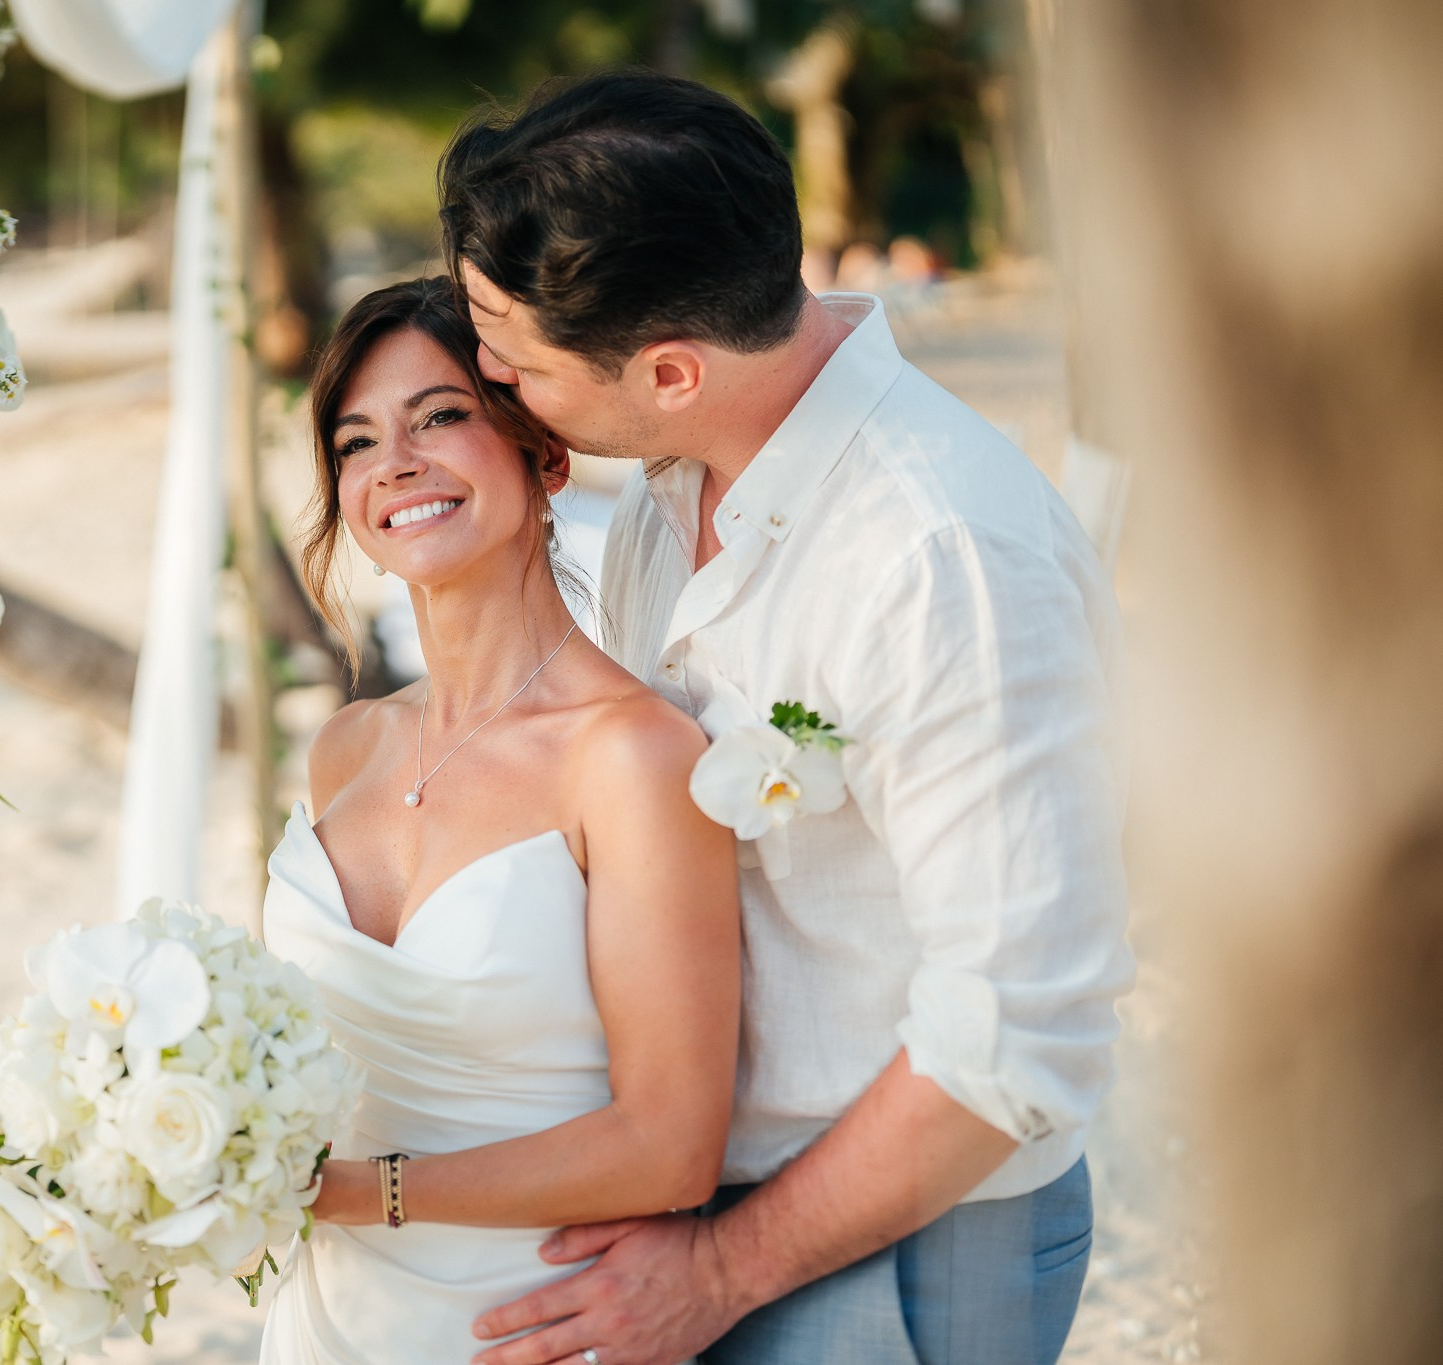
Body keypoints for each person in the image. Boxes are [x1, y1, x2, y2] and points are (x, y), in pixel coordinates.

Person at [439, 70, 1136, 1365]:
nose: (486, 374)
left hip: (906, 1235)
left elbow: (1017, 1035)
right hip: (701, 1199)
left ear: (669, 367)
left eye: (511, 357)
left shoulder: (942, 558)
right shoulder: (672, 477)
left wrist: (719, 1270)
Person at [255, 277, 742, 1364]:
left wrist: (343, 1194)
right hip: (324, 1323)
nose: (396, 463)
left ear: (544, 454)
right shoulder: (346, 748)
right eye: (355, 440)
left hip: (529, 1325)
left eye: (440, 417)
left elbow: (669, 1147)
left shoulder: (629, 756)